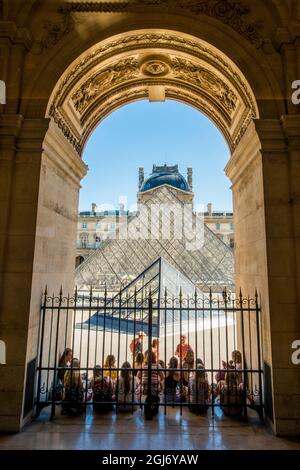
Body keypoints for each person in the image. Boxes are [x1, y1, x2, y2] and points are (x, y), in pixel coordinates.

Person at [137, 350, 164, 417]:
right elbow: (163, 377)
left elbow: (138, 375)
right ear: (154, 357)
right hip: (155, 389)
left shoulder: (143, 365)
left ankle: (146, 404)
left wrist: (142, 381)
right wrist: (159, 381)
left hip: (145, 389)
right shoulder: (158, 365)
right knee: (159, 384)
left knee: (140, 389)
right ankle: (155, 403)